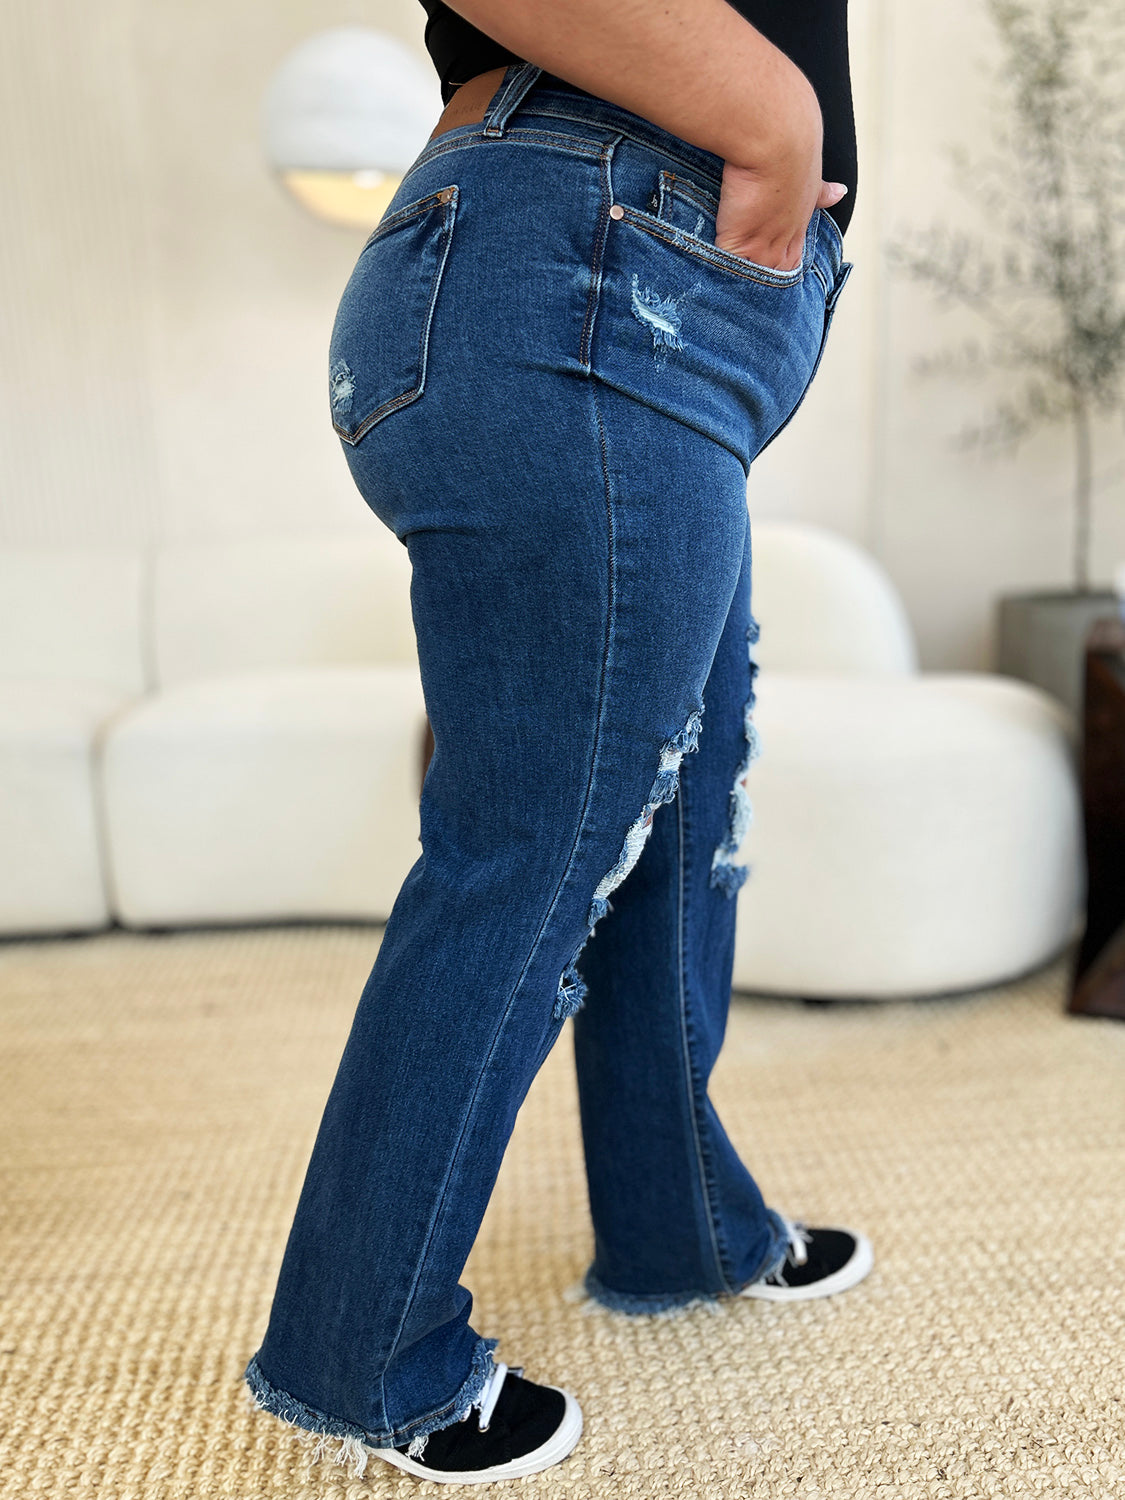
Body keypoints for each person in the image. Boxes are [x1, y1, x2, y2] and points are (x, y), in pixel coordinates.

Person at [245, 0, 873, 1484]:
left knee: (679, 795)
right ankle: (359, 1351)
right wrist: (778, 120)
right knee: (530, 848)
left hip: (620, 287)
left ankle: (682, 1227)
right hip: (589, 265)